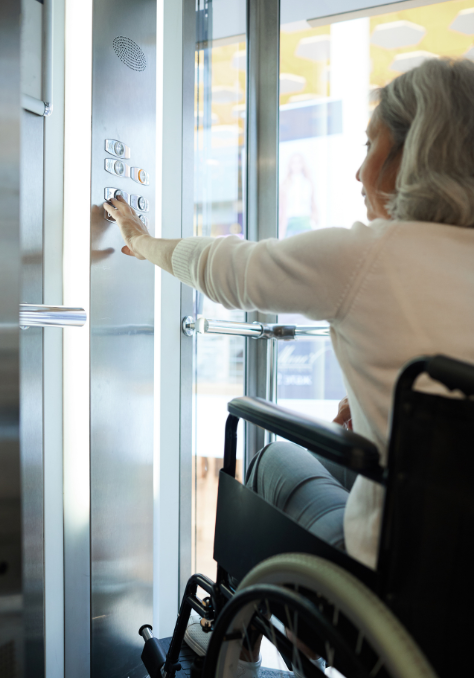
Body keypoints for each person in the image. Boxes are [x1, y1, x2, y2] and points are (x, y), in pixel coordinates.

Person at [105, 58, 474, 675]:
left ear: (411, 150)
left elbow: (227, 269)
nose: (359, 171)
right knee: (344, 446)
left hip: (398, 598)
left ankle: (228, 640)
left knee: (271, 455)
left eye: (369, 144)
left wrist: (139, 239)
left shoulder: (370, 255)